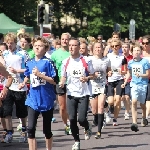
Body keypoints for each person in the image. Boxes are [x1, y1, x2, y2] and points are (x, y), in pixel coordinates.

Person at [18, 36, 56, 150]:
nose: (37, 48)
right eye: (35, 46)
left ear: (45, 48)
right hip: (32, 100)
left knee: (47, 130)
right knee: (30, 128)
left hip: (46, 100)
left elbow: (54, 81)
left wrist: (41, 75)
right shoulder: (29, 62)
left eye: (40, 46)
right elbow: (27, 75)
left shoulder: (48, 62)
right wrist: (24, 83)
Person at [60, 38, 94, 150]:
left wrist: (87, 78)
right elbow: (63, 76)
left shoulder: (86, 60)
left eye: (74, 45)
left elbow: (94, 75)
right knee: (72, 119)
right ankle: (76, 141)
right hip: (71, 93)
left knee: (82, 119)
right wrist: (62, 82)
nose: (71, 47)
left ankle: (87, 127)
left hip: (83, 93)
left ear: (79, 47)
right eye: (70, 45)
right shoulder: (66, 62)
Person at [2, 33, 28, 143]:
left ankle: (23, 130)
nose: (9, 45)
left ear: (15, 43)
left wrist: (17, 71)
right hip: (8, 86)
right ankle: (9, 133)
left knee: (21, 112)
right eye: (7, 43)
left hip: (19, 86)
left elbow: (28, 69)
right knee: (6, 111)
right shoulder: (5, 53)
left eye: (11, 43)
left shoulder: (22, 54)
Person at [122, 43, 149, 132]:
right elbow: (129, 73)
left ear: (141, 51)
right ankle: (134, 123)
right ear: (132, 52)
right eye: (135, 50)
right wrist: (125, 82)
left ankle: (144, 117)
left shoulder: (145, 62)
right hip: (134, 84)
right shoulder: (130, 62)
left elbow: (148, 74)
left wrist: (140, 74)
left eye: (138, 50)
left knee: (142, 104)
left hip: (143, 85)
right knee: (133, 101)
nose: (136, 52)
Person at [89, 42, 111, 139]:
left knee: (100, 106)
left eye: (99, 47)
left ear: (103, 49)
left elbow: (108, 70)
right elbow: (86, 72)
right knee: (94, 110)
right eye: (96, 47)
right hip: (92, 86)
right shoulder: (89, 59)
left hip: (102, 85)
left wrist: (109, 73)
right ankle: (95, 118)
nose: (98, 49)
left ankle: (99, 131)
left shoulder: (107, 60)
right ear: (93, 49)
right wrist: (92, 76)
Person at [51, 33, 71, 135]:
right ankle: (65, 124)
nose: (64, 41)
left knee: (70, 105)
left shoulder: (73, 52)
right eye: (63, 39)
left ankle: (71, 122)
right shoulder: (55, 54)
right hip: (60, 83)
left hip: (72, 83)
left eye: (66, 39)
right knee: (62, 107)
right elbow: (51, 68)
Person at [107, 39, 127, 126]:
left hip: (119, 79)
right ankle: (110, 107)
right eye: (112, 46)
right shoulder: (108, 56)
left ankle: (115, 119)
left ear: (119, 47)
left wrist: (121, 72)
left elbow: (125, 71)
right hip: (110, 80)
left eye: (116, 46)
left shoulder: (122, 57)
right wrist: (108, 72)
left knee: (118, 99)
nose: (114, 48)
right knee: (111, 101)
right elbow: (106, 68)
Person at [121, 43, 133, 120]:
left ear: (129, 48)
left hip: (129, 79)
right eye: (123, 47)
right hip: (119, 79)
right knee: (121, 98)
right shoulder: (119, 57)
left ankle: (127, 112)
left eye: (126, 47)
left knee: (127, 97)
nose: (124, 49)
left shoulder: (132, 58)